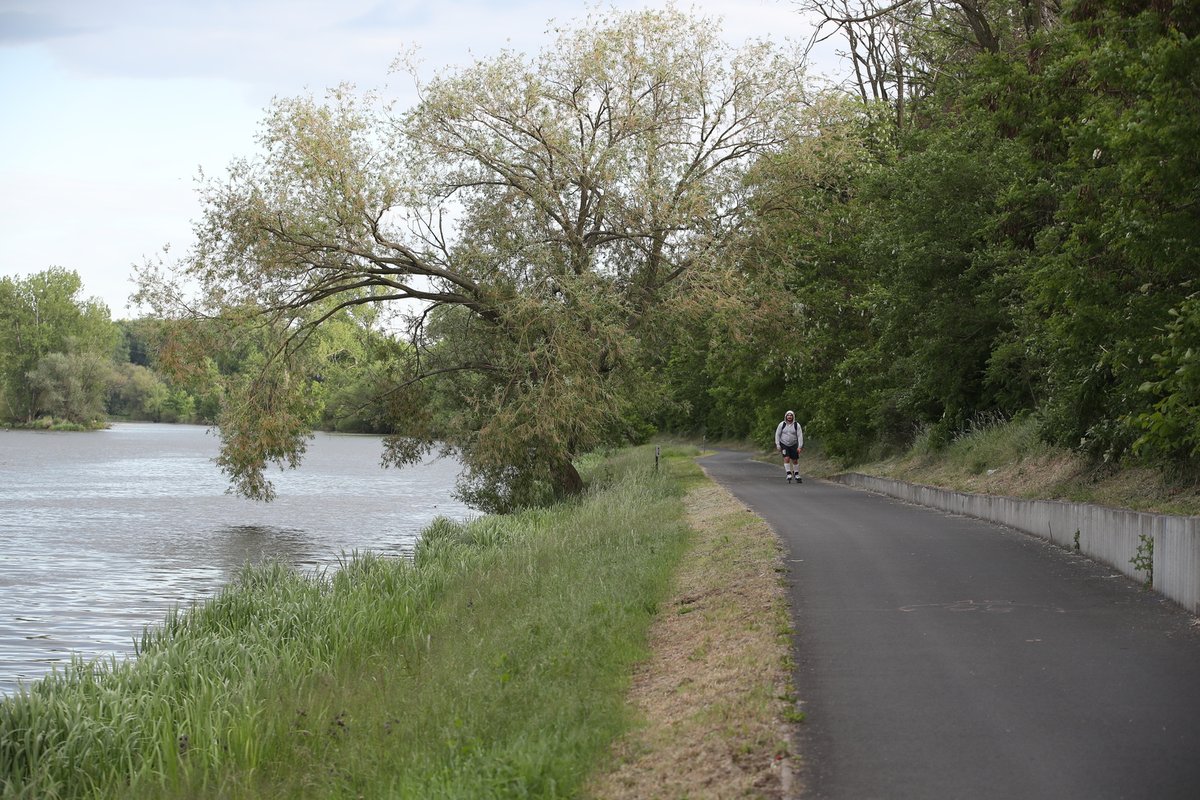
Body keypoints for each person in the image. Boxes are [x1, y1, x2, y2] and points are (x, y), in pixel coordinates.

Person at [774, 410, 804, 484]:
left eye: (791, 415)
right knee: (786, 458)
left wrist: (800, 446)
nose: (789, 417)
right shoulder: (782, 424)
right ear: (786, 416)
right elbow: (777, 434)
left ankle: (796, 474)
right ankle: (788, 473)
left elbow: (800, 436)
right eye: (788, 415)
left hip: (793, 444)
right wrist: (778, 444)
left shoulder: (797, 425)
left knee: (795, 460)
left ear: (793, 416)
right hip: (784, 444)